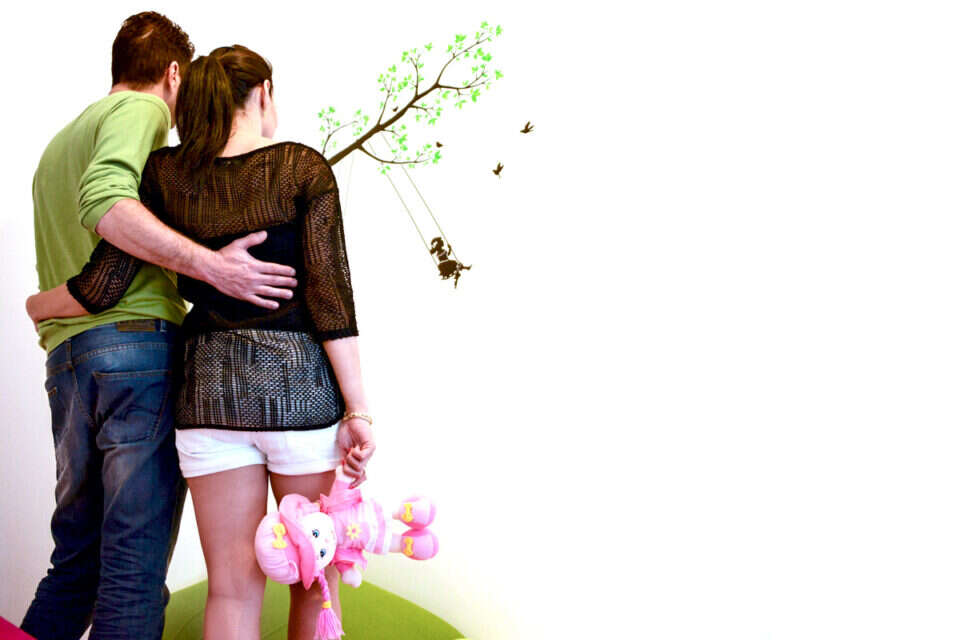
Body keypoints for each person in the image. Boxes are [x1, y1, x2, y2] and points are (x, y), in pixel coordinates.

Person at [27, 44, 377, 640]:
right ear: (263, 92)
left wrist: (38, 305)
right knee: (314, 581)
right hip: (298, 395)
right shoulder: (302, 167)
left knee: (232, 589)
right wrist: (358, 409)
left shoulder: (164, 174)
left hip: (208, 403)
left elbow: (104, 284)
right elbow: (330, 299)